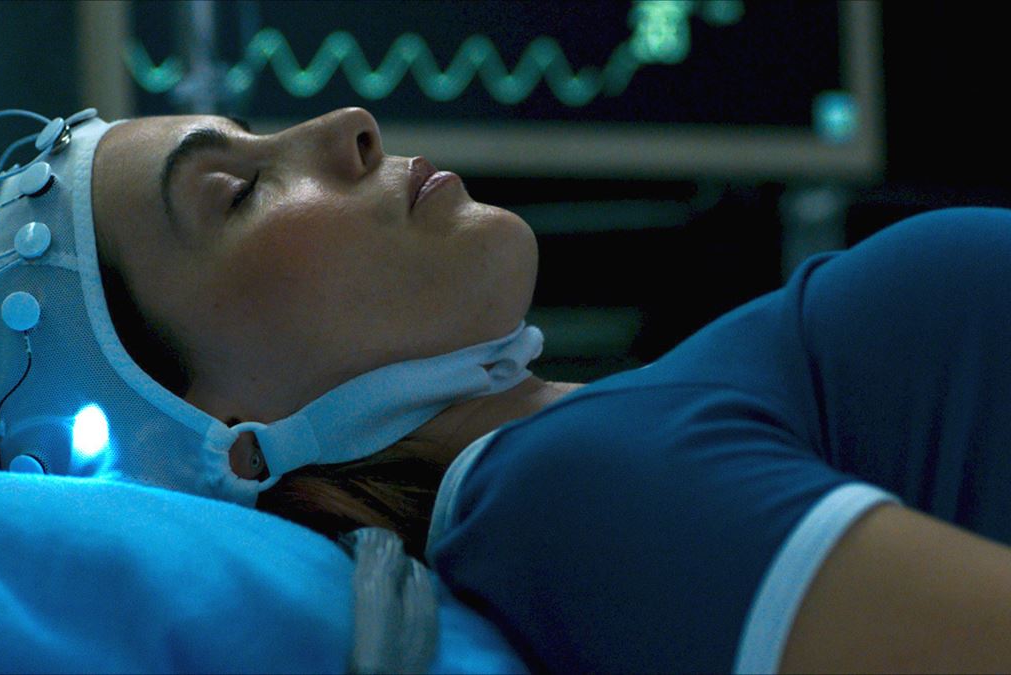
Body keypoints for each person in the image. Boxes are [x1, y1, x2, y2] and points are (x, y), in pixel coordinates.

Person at [90, 107, 1011, 673]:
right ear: (224, 437)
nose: (350, 126)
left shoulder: (590, 457)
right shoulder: (571, 493)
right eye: (239, 191)